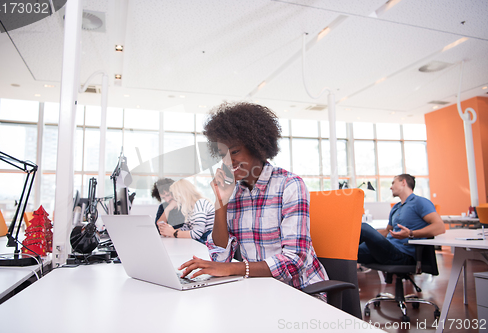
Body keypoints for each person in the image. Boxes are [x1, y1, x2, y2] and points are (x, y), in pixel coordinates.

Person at [179, 102, 328, 290]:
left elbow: (294, 261)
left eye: (234, 151)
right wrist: (220, 202)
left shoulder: (289, 185)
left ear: (257, 146)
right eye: (222, 154)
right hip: (259, 288)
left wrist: (232, 268)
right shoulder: (234, 193)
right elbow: (220, 258)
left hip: (300, 289)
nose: (228, 161)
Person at [358, 174, 445, 266]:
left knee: (364, 227)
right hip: (386, 250)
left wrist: (411, 233)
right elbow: (387, 231)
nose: (390, 188)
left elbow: (440, 227)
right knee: (345, 252)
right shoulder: (396, 207)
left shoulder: (420, 202)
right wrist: (371, 235)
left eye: (393, 183)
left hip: (402, 254)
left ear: (403, 182)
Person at [157, 179, 215, 244]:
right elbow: (186, 228)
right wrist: (168, 231)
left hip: (210, 244)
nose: (176, 200)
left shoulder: (200, 204)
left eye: (176, 197)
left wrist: (173, 233)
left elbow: (196, 233)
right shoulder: (190, 209)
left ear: (182, 195)